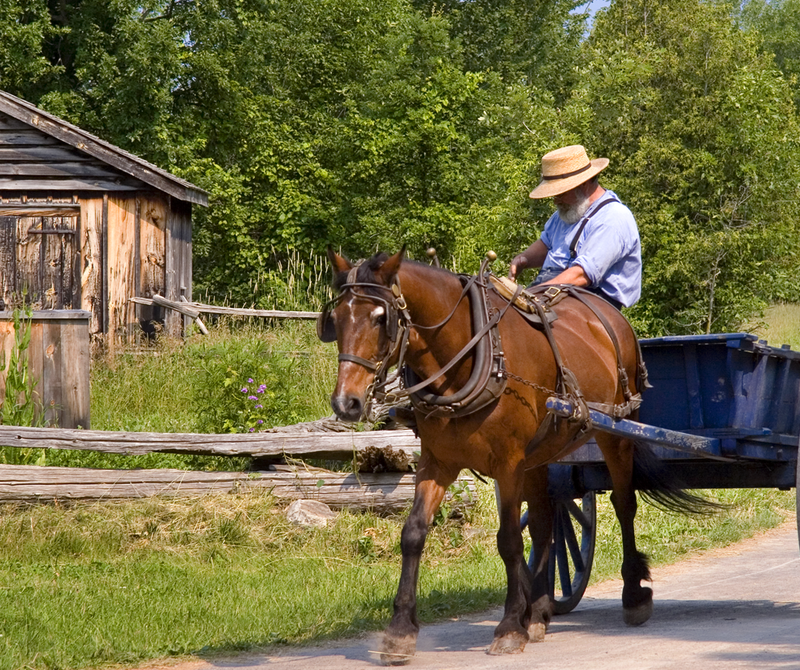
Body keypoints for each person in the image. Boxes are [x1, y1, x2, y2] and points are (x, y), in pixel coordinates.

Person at [509, 145, 641, 310]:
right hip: (554, 293)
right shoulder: (566, 212)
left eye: (561, 193)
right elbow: (546, 244)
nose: (556, 201)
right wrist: (523, 260)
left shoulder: (613, 218)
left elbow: (581, 275)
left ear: (584, 184)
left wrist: (533, 294)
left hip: (592, 303)